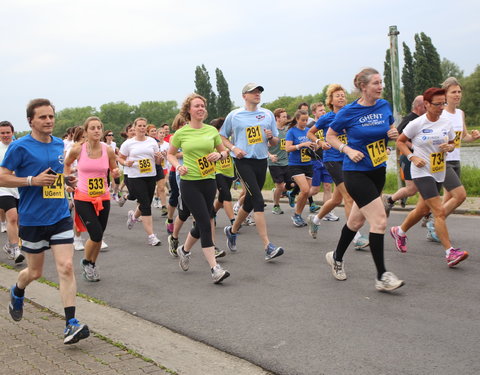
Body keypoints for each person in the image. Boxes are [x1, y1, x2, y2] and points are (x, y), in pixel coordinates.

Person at [0, 98, 89, 344]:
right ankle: (18, 289)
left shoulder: (59, 143)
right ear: (31, 121)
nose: (48, 120)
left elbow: (54, 176)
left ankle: (71, 323)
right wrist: (31, 181)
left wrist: (65, 181)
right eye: (43, 117)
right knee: (36, 272)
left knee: (66, 267)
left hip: (59, 214)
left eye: (51, 116)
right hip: (32, 219)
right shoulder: (19, 147)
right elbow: (2, 178)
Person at [325, 68, 404, 292]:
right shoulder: (349, 111)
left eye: (381, 83)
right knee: (379, 220)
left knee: (356, 222)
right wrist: (347, 150)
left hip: (377, 170)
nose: (380, 87)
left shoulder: (384, 105)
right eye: (376, 83)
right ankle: (381, 276)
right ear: (363, 86)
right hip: (355, 172)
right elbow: (329, 136)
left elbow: (389, 128)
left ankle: (336, 257)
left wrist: (392, 133)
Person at [390, 87, 470, 267]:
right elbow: (400, 142)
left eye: (443, 103)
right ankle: (450, 252)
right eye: (437, 104)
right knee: (439, 211)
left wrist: (449, 148)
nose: (441, 107)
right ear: (426, 104)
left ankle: (399, 231)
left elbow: (451, 142)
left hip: (438, 170)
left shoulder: (445, 123)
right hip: (421, 171)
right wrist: (412, 156)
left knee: (422, 210)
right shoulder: (417, 124)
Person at [167, 94, 230, 283]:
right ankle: (214, 268)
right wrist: (178, 166)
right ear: (189, 110)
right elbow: (170, 155)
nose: (201, 109)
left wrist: (219, 156)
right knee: (205, 221)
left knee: (203, 219)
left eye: (203, 106)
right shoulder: (181, 133)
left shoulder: (211, 130)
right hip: (189, 182)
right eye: (197, 106)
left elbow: (224, 152)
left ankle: (184, 250)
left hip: (209, 181)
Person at [220, 83, 284, 261]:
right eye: (253, 92)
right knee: (257, 199)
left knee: (248, 202)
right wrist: (234, 148)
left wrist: (271, 137)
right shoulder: (235, 115)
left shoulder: (267, 114)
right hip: (242, 161)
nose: (257, 94)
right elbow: (222, 136)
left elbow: (274, 142)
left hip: (261, 160)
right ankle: (267, 246)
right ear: (244, 96)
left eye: (259, 92)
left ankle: (232, 231)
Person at [424, 77, 480, 241]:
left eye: (459, 92)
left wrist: (474, 137)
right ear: (446, 95)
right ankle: (433, 223)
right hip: (442, 161)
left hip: (456, 159)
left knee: (448, 198)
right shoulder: (441, 115)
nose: (457, 95)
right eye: (453, 92)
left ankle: (434, 226)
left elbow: (463, 137)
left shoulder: (460, 113)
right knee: (459, 195)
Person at [65, 117, 119, 281]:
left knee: (99, 235)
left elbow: (113, 167)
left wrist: (116, 172)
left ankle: (91, 264)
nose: (96, 131)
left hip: (103, 197)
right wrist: (68, 181)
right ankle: (86, 262)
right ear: (86, 131)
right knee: (95, 234)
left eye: (99, 128)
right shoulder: (77, 149)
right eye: (92, 128)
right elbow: (66, 165)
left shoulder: (107, 150)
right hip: (83, 197)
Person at [118, 118, 161, 246]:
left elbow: (157, 161)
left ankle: (133, 217)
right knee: (146, 205)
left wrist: (159, 158)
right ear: (135, 128)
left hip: (150, 175)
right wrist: (125, 163)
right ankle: (151, 236)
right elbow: (120, 157)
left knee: (146, 202)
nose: (142, 128)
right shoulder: (128, 143)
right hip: (135, 176)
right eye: (139, 126)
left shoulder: (152, 141)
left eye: (144, 126)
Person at [383, 95, 426, 215]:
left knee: (426, 186)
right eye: (425, 105)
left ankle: (426, 214)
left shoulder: (424, 119)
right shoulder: (410, 119)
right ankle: (389, 200)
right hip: (408, 158)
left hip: (422, 158)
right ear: (418, 106)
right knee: (412, 189)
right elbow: (398, 137)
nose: (427, 107)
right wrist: (413, 147)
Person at [285, 109, 315, 227]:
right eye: (302, 120)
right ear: (297, 119)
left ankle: (298, 214)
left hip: (308, 163)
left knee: (306, 192)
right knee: (305, 189)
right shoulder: (292, 131)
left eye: (306, 120)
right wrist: (301, 145)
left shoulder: (308, 131)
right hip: (295, 164)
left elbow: (314, 144)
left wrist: (314, 146)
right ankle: (296, 215)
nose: (305, 122)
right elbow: (287, 148)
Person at [0, 121, 24, 263]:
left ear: (12, 133)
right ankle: (15, 249)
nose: (5, 135)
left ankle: (10, 245)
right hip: (3, 188)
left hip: (18, 187)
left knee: (19, 220)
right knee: (12, 217)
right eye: (2, 133)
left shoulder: (18, 147)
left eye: (8, 132)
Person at [268, 108, 290, 215]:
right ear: (277, 118)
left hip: (286, 162)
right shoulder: (271, 132)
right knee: (281, 186)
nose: (286, 118)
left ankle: (283, 192)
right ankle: (276, 206)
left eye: (286, 116)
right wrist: (270, 155)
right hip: (274, 163)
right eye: (283, 117)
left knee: (293, 184)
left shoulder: (287, 130)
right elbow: (262, 146)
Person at [102, 129, 120, 202]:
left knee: (117, 179)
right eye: (109, 135)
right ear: (106, 137)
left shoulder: (114, 144)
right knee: (106, 179)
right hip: (105, 162)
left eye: (112, 135)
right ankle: (105, 194)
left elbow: (114, 153)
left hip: (113, 162)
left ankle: (115, 193)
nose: (111, 136)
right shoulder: (102, 144)